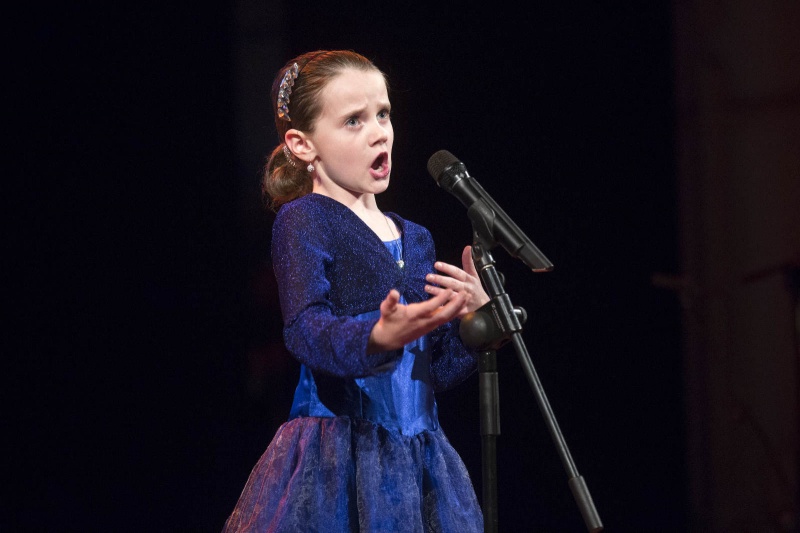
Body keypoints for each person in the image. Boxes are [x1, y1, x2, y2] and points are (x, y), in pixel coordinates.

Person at [223, 50, 489, 533]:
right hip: (342, 456)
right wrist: (375, 336)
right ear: (303, 145)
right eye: (353, 121)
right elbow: (305, 330)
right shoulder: (305, 220)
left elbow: (436, 372)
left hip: (421, 458)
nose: (378, 131)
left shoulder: (417, 237)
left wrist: (473, 323)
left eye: (383, 113)